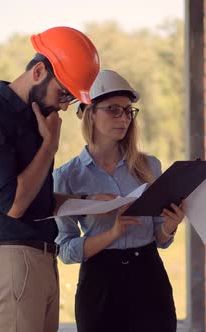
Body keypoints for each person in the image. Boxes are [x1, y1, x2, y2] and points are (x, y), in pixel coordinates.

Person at [0, 26, 100, 332]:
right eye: (64, 93)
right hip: (12, 260)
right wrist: (49, 147)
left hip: (42, 260)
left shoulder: (37, 117)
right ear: (39, 71)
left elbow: (38, 199)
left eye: (72, 100)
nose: (64, 105)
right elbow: (15, 204)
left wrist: (89, 202)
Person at [53, 69, 186, 332]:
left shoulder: (149, 166)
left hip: (149, 278)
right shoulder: (67, 177)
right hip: (99, 284)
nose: (124, 118)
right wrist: (112, 233)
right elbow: (65, 250)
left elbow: (161, 238)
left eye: (128, 111)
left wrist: (171, 225)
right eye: (113, 109)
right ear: (90, 113)